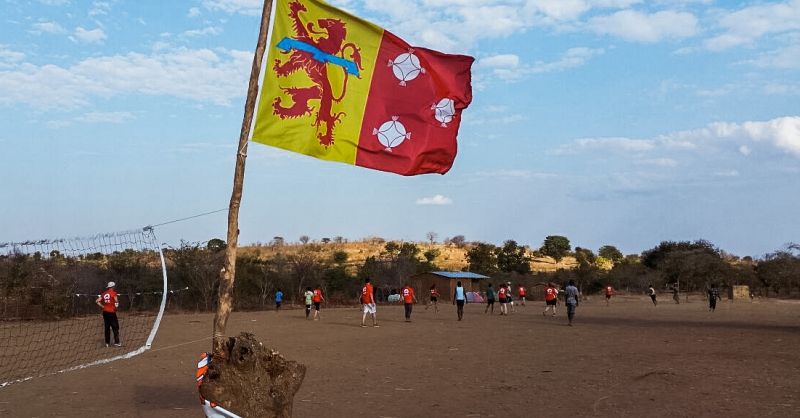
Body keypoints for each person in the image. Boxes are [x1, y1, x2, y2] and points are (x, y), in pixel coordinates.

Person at [95, 281, 121, 347]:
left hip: (105, 312)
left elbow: (97, 301)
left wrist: (103, 306)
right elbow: (116, 301)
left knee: (107, 327)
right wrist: (116, 307)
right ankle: (117, 342)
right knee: (115, 327)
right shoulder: (114, 293)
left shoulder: (104, 293)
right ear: (113, 287)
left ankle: (107, 343)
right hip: (112, 312)